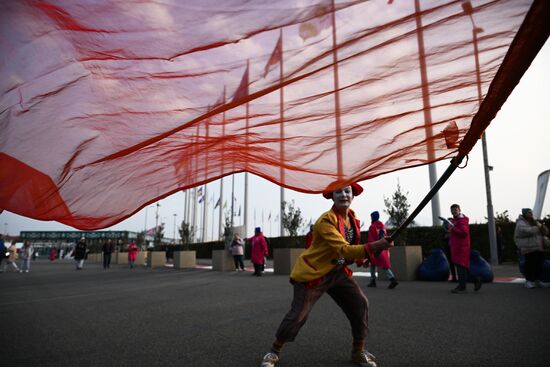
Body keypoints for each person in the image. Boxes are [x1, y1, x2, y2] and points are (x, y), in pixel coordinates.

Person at [259, 183, 392, 367]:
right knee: (298, 315)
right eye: (339, 191)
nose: (344, 195)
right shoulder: (325, 221)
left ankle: (358, 350)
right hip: (314, 273)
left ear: (353, 195)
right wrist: (376, 246)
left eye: (347, 191)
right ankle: (274, 351)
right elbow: (344, 249)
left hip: (338, 271)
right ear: (332, 196)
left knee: (360, 304)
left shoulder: (352, 218)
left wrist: (367, 255)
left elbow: (351, 248)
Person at [447, 204, 481, 294]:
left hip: (462, 247)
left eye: (455, 209)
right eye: (452, 210)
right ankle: (474, 281)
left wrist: (453, 228)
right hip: (457, 247)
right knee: (462, 268)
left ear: (459, 210)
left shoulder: (462, 220)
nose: (454, 211)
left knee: (461, 267)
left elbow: (464, 233)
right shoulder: (455, 220)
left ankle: (462, 286)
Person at [514, 208, 549, 288]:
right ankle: (529, 281)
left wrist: (544, 229)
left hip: (538, 247)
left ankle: (537, 280)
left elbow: (544, 231)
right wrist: (537, 229)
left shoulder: (535, 222)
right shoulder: (520, 222)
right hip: (528, 247)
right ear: (525, 214)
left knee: (539, 264)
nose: (531, 214)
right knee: (530, 265)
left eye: (531, 212)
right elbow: (524, 231)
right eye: (529, 212)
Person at [365, 211, 398, 289]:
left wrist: (370, 248)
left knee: (373, 264)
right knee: (384, 265)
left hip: (376, 248)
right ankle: (391, 279)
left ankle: (391, 280)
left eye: (371, 217)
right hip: (383, 248)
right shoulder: (383, 226)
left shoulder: (372, 227)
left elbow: (371, 239)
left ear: (373, 217)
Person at [442, 217, 457, 282]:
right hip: (448, 246)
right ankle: (454, 277)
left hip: (454, 247)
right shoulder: (446, 235)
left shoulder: (455, 232)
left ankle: (457, 277)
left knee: (457, 263)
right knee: (451, 262)